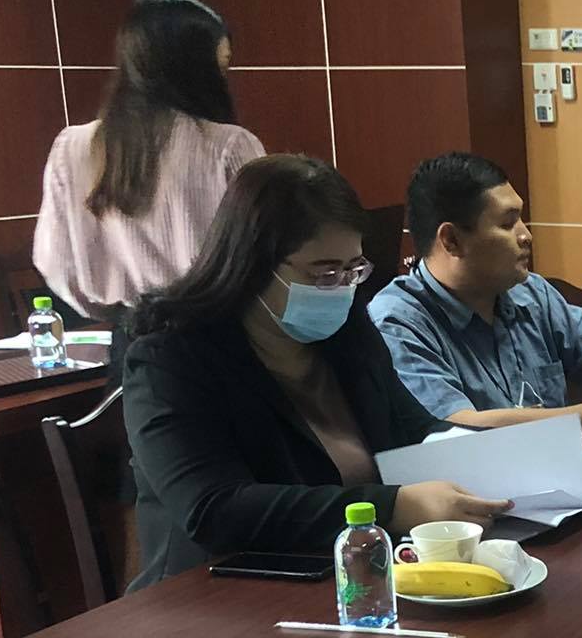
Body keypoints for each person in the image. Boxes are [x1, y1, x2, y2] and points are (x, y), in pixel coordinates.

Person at [124, 154, 508, 588]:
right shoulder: (170, 361)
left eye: (353, 269)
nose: (341, 288)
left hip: (348, 578)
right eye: (324, 272)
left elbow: (414, 428)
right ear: (254, 264)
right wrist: (391, 506)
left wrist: (490, 461)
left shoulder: (348, 333)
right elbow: (215, 510)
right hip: (215, 594)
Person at [369, 153, 582, 434]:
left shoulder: (530, 292)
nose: (526, 235)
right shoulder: (397, 321)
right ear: (451, 241)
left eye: (521, 219)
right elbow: (458, 426)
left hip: (558, 474)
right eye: (507, 224)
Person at [34, 0, 264, 329]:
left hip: (129, 336)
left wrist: (120, 314)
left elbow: (56, 263)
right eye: (221, 68)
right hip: (219, 333)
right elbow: (268, 256)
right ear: (197, 70)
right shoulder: (228, 145)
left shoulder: (73, 146)